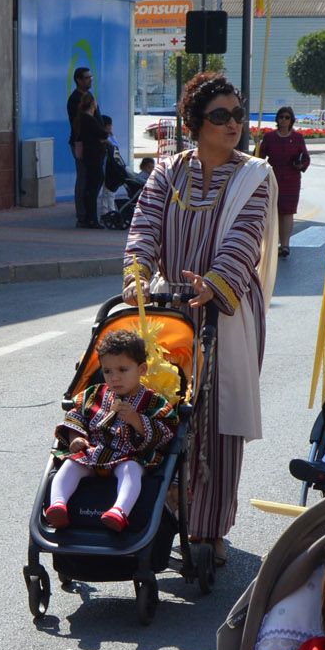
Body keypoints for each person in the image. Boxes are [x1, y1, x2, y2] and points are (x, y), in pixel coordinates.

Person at [124, 71, 276, 563]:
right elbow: (145, 225)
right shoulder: (168, 172)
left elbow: (246, 237)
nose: (233, 124)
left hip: (227, 312)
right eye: (220, 116)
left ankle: (210, 530)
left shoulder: (255, 175)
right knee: (165, 407)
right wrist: (137, 275)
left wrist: (215, 283)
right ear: (194, 123)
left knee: (218, 420)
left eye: (237, 114)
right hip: (169, 309)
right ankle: (164, 512)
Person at [43, 330, 178, 532]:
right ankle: (57, 505)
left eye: (122, 370)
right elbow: (75, 416)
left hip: (130, 455)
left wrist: (136, 420)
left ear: (141, 369)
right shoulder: (94, 394)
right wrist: (76, 438)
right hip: (94, 452)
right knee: (70, 464)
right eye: (107, 371)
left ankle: (119, 511)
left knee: (131, 471)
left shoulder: (153, 401)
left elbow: (166, 432)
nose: (114, 378)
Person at [258, 107, 310, 258]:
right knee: (273, 211)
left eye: (287, 117)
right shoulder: (269, 137)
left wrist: (301, 165)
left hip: (291, 180)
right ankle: (272, 244)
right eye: (281, 117)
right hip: (273, 178)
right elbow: (260, 157)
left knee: (287, 212)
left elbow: (305, 158)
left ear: (291, 120)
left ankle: (285, 245)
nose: (283, 120)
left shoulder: (298, 138)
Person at [70, 67, 105, 228]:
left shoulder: (88, 97)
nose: (90, 80)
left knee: (94, 179)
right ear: (78, 79)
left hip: (93, 145)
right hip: (84, 145)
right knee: (84, 179)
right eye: (86, 77)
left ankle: (88, 214)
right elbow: (82, 126)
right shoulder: (75, 99)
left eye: (91, 77)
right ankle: (83, 215)